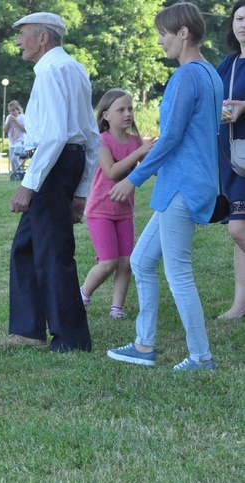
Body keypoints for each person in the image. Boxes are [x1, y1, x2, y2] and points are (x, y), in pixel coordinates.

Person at [106, 2, 221, 371]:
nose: (159, 41)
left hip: (182, 188)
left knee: (178, 272)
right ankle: (143, 345)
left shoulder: (187, 75)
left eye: (163, 34)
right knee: (140, 260)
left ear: (183, 33)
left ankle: (201, 356)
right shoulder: (211, 74)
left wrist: (132, 178)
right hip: (191, 183)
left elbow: (170, 138)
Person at [1, 12, 100, 352]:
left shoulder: (50, 71)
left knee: (54, 252)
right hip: (64, 164)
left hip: (52, 165)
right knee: (26, 247)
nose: (17, 42)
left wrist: (28, 184)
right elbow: (91, 136)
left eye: (22, 34)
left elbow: (55, 136)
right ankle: (29, 330)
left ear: (42, 38)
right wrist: (81, 192)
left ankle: (71, 339)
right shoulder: (74, 68)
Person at [80, 89, 156, 319]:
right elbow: (112, 172)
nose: (127, 114)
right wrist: (140, 152)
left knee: (126, 262)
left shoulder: (135, 142)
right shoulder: (102, 141)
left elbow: (151, 170)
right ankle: (82, 295)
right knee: (108, 261)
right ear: (106, 115)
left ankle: (117, 309)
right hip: (100, 211)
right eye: (120, 110)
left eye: (130, 109)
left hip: (124, 212)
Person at [215, 0, 245, 319]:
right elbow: (217, 101)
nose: (243, 24)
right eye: (238, 18)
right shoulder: (230, 63)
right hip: (234, 157)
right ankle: (240, 304)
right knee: (240, 231)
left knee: (238, 230)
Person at [3, 100, 26, 178]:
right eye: (10, 111)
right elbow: (5, 130)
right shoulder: (8, 117)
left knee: (14, 158)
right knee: (12, 161)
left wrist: (16, 122)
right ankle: (15, 175)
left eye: (13, 110)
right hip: (12, 141)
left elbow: (24, 130)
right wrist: (9, 121)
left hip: (20, 141)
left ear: (18, 110)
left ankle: (21, 173)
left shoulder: (22, 117)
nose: (12, 112)